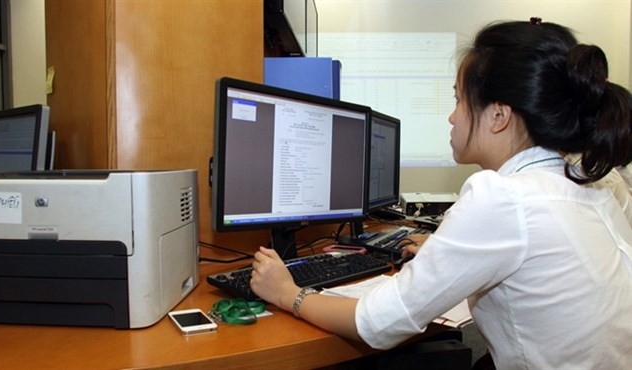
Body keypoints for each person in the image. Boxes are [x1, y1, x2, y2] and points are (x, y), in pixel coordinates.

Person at [250, 19, 632, 369]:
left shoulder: (503, 195)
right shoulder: (587, 181)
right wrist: (444, 252)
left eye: (458, 100)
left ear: (498, 116)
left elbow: (376, 323)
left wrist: (287, 293)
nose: (452, 117)